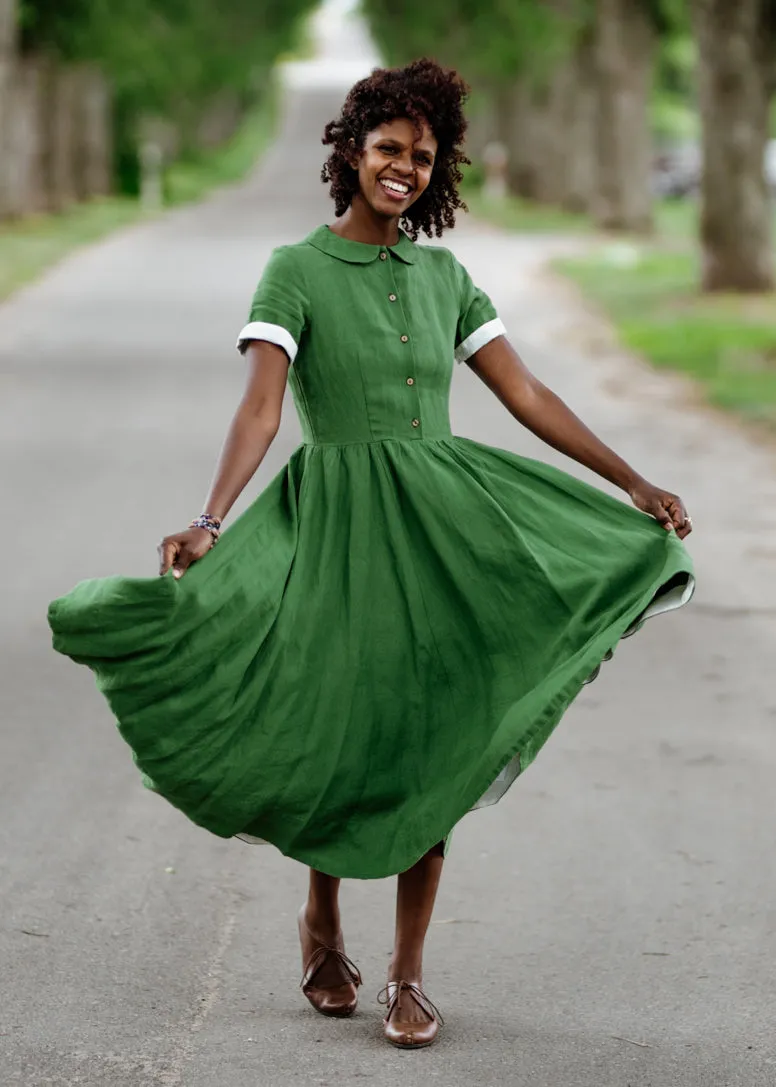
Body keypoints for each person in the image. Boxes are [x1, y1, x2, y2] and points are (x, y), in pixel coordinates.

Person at [48, 58, 694, 1050]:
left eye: (422, 156)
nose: (404, 167)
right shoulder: (296, 270)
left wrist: (628, 480)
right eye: (388, 148)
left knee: (433, 738)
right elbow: (262, 407)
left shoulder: (444, 277)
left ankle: (408, 973)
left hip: (444, 532)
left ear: (437, 172)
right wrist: (212, 517)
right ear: (349, 152)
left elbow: (523, 396)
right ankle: (321, 918)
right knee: (349, 728)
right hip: (340, 530)